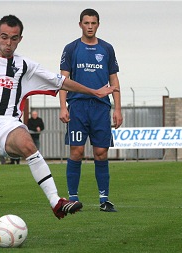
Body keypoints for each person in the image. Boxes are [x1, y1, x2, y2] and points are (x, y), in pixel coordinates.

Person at [0, 15, 117, 237]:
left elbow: (61, 81)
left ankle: (56, 201)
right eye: (4, 37)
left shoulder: (24, 66)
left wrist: (94, 91)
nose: (8, 43)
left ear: (20, 39)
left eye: (13, 38)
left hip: (7, 124)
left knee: (28, 144)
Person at [58, 9, 123, 212]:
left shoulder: (107, 49)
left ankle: (104, 199)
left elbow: (114, 80)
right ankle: (73, 198)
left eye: (93, 23)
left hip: (100, 108)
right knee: (76, 152)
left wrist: (118, 108)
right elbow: (63, 80)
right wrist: (63, 106)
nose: (90, 26)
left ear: (98, 25)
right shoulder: (71, 48)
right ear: (80, 25)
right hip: (77, 106)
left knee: (101, 153)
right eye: (86, 23)